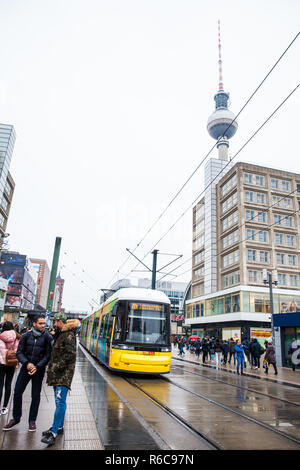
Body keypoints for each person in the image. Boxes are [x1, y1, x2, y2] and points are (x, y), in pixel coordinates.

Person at [2, 315, 52, 432]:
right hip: (25, 368)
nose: (43, 326)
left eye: (43, 323)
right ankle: (16, 418)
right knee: (17, 392)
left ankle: (32, 421)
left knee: (35, 395)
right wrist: (26, 363)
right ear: (34, 324)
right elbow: (19, 352)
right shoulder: (26, 336)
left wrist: (38, 366)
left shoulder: (47, 337)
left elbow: (48, 355)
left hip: (38, 370)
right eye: (40, 323)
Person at [41, 312, 80, 446]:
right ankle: (58, 426)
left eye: (55, 321)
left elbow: (71, 354)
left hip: (63, 374)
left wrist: (56, 366)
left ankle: (53, 433)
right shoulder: (62, 334)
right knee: (59, 402)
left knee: (60, 401)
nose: (54, 324)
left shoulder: (68, 335)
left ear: (60, 322)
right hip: (58, 374)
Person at [0, 322, 20, 415]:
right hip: (11, 363)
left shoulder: (1, 336)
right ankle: (4, 407)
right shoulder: (16, 336)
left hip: (1, 363)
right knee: (8, 385)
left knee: (0, 385)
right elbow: (18, 350)